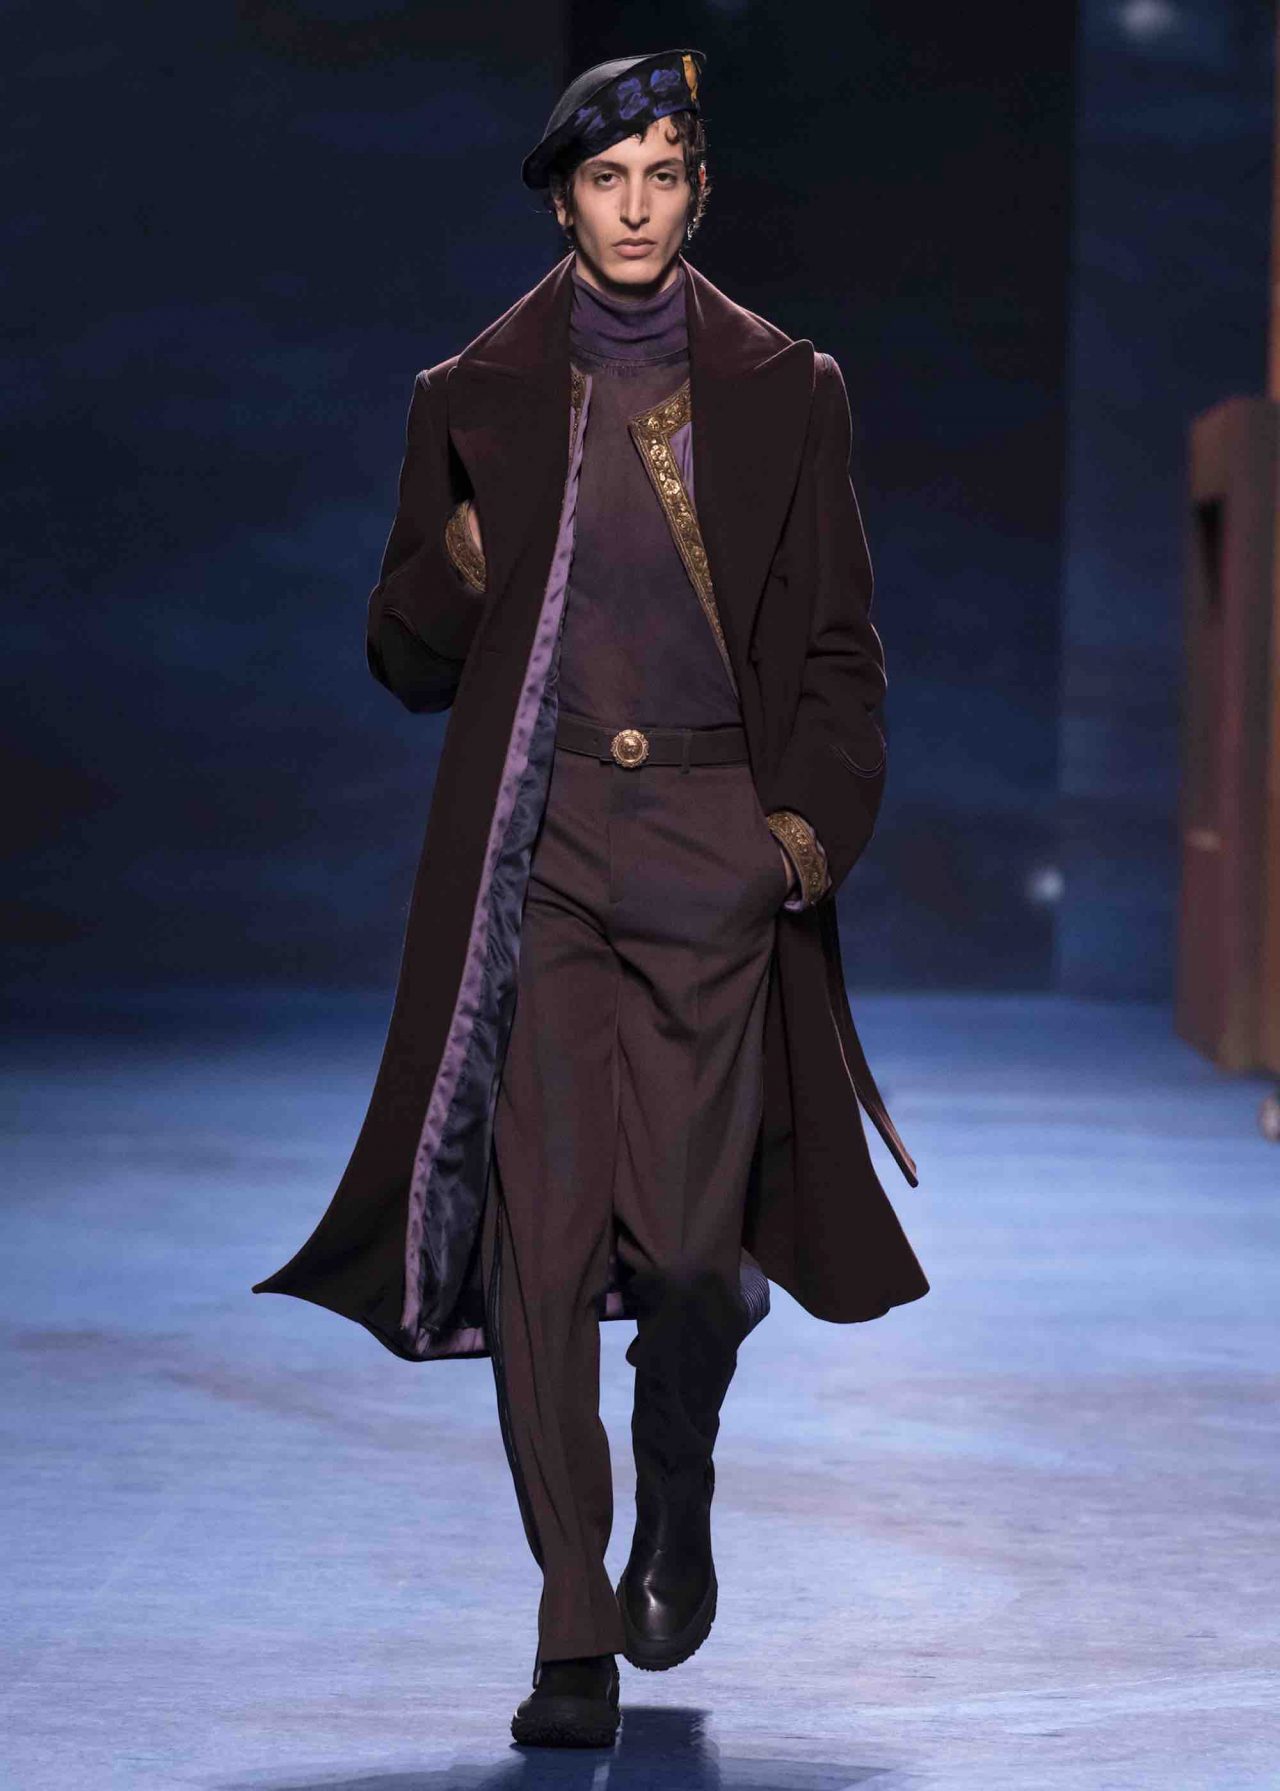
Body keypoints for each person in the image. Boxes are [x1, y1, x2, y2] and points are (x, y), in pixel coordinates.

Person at [253, 47, 928, 1751]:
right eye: (605, 179)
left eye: (663, 177)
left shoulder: (787, 387)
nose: (635, 209)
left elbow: (840, 651)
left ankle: (675, 1474)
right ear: (563, 200)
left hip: (714, 842)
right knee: (543, 1243)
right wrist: (465, 564)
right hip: (543, 847)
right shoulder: (471, 390)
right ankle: (570, 1624)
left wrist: (796, 842)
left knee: (693, 1256)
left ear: (699, 194)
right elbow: (403, 656)